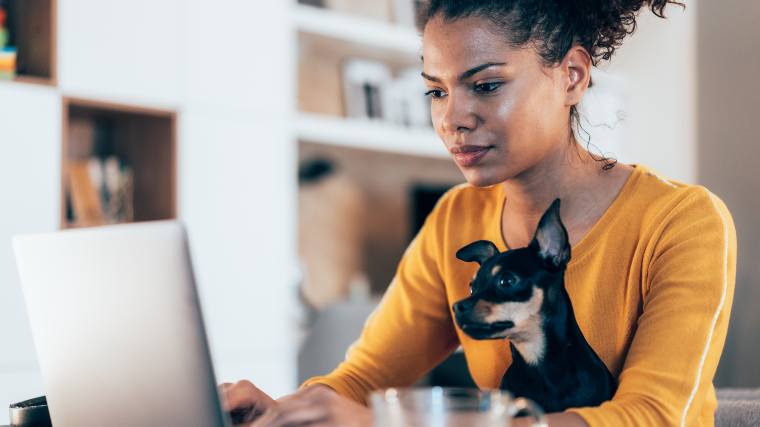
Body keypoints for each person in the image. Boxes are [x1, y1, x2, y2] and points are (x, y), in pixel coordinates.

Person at [222, 0, 737, 425]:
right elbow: (362, 382)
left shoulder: (683, 221)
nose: (451, 119)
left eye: (486, 85)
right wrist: (286, 411)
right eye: (436, 91)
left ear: (573, 76)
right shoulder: (456, 217)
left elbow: (651, 416)